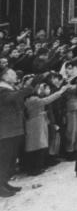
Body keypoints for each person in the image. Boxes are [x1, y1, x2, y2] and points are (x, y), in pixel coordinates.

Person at [0, 67, 30, 196]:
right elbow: (10, 98)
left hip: (14, 129)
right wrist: (26, 89)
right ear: (5, 77)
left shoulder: (11, 88)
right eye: (12, 74)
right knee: (5, 160)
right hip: (6, 130)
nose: (15, 75)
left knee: (11, 159)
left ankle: (4, 183)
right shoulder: (2, 89)